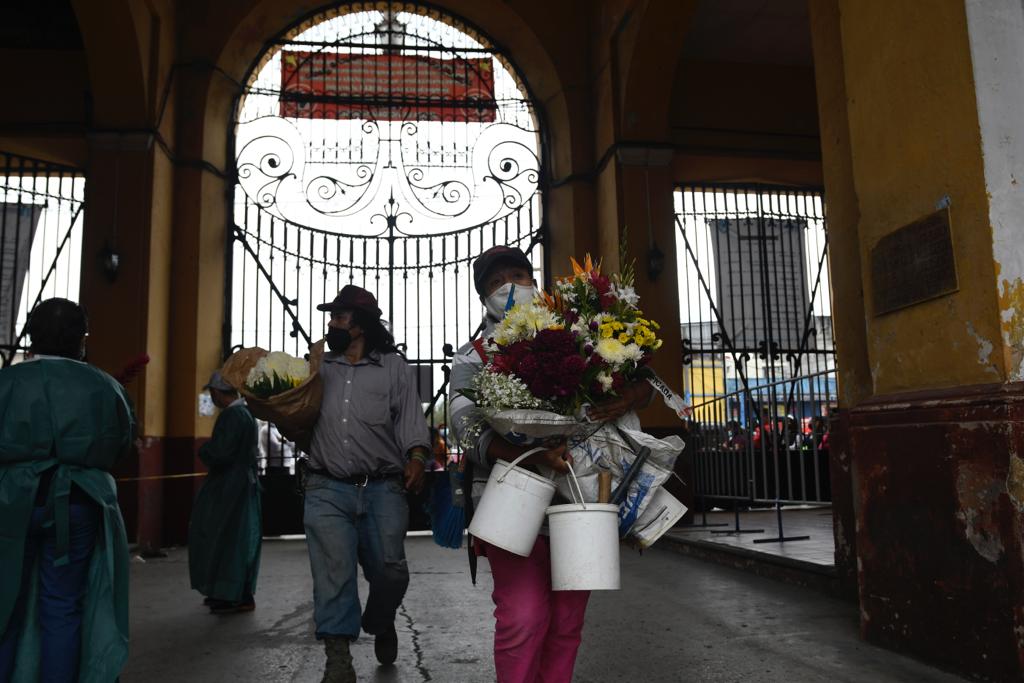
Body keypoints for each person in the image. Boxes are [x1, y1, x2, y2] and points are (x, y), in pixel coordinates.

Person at [450, 246, 654, 683]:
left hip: (578, 499)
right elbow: (463, 424)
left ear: (534, 280)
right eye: (495, 282)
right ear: (482, 296)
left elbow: (645, 383)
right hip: (510, 498)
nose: (509, 287)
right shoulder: (473, 356)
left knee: (566, 620)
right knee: (523, 616)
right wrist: (529, 454)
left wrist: (628, 396)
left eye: (518, 276)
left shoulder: (580, 333)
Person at [0, 298, 135, 682]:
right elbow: (121, 443)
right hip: (78, 502)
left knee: (5, 602)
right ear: (82, 340)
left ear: (30, 335)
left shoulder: (6, 382)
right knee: (62, 606)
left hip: (11, 503)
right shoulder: (103, 385)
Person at [304, 284, 431, 683]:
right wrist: (298, 382)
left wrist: (416, 456)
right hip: (326, 486)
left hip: (382, 487)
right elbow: (296, 420)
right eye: (332, 317)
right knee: (333, 573)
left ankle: (381, 617)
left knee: (390, 571)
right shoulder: (320, 366)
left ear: (360, 325)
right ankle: (338, 660)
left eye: (339, 317)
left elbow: (410, 418)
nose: (332, 324)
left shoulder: (393, 367)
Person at [188, 371, 262, 614]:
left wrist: (205, 451)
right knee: (234, 538)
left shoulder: (232, 416)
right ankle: (227, 591)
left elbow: (221, 452)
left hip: (229, 485)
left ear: (218, 392)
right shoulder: (247, 413)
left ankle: (233, 593)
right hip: (240, 483)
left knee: (226, 538)